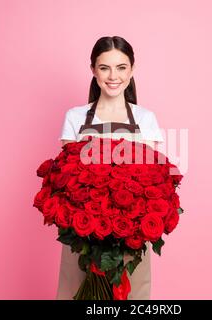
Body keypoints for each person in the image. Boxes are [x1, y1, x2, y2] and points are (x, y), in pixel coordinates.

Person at [56, 36, 164, 300]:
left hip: (130, 237)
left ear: (132, 70)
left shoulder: (145, 119)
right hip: (82, 238)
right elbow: (66, 179)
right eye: (104, 67)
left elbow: (152, 180)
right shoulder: (75, 117)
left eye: (121, 67)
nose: (113, 76)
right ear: (93, 70)